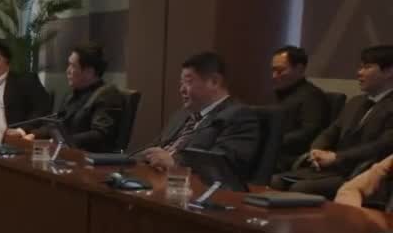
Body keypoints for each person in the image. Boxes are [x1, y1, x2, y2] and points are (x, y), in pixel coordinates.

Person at [271, 45, 393, 198]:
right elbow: (330, 132)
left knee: (301, 188)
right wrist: (316, 150)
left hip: (364, 174)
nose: (359, 72)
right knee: (275, 180)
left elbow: (380, 146)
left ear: (389, 71)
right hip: (334, 169)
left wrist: (337, 157)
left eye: (367, 67)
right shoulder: (355, 102)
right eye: (360, 67)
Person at [137, 51, 262, 179]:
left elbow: (223, 165)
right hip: (156, 180)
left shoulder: (239, 116)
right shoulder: (181, 116)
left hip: (195, 187)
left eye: (188, 82)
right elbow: (155, 147)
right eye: (181, 83)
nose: (182, 90)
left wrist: (174, 161)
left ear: (214, 82)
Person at [19, 43, 125, 153]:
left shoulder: (107, 95)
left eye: (73, 66)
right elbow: (57, 124)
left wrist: (61, 142)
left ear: (89, 72)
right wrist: (33, 135)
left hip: (89, 158)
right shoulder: (72, 95)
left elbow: (99, 134)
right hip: (66, 154)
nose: (68, 71)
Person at [270, 45, 330, 172]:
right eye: (273, 70)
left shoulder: (312, 96)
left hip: (291, 157)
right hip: (275, 152)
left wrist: (273, 140)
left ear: (299, 69)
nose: (274, 76)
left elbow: (309, 132)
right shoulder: (281, 93)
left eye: (280, 71)